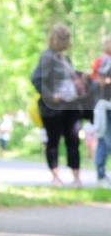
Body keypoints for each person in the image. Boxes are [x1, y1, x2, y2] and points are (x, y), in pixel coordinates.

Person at [33, 24, 84, 188]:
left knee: (73, 140)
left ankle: (76, 177)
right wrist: (51, 95)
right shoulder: (47, 57)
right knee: (53, 141)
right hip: (53, 108)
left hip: (71, 106)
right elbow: (36, 79)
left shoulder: (65, 58)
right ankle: (55, 177)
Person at [87, 35, 111, 187]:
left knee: (105, 139)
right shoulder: (105, 61)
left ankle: (101, 174)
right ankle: (100, 174)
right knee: (105, 140)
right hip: (106, 107)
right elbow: (101, 81)